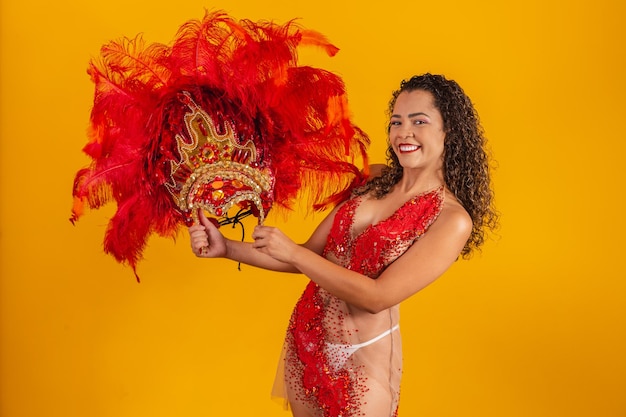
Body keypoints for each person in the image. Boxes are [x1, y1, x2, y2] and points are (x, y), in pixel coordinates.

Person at [188, 73, 498, 417]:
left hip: (361, 364)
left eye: (419, 121)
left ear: (449, 131)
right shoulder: (375, 178)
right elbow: (309, 255)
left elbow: (377, 296)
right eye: (396, 122)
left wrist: (292, 251)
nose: (403, 132)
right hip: (306, 342)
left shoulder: (451, 220)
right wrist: (227, 247)